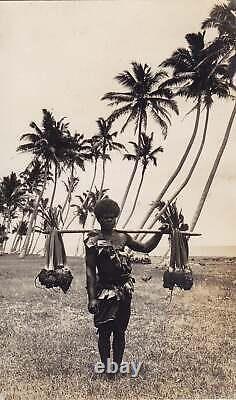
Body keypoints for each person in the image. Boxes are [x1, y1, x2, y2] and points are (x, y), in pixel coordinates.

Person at [84, 197, 168, 374]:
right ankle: (107, 368)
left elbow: (145, 248)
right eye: (105, 217)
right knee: (104, 331)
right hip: (103, 291)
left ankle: (118, 365)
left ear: (117, 217)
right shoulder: (92, 240)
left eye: (113, 217)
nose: (110, 220)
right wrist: (91, 298)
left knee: (120, 330)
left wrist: (159, 234)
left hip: (124, 290)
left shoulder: (123, 237)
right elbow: (90, 271)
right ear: (98, 219)